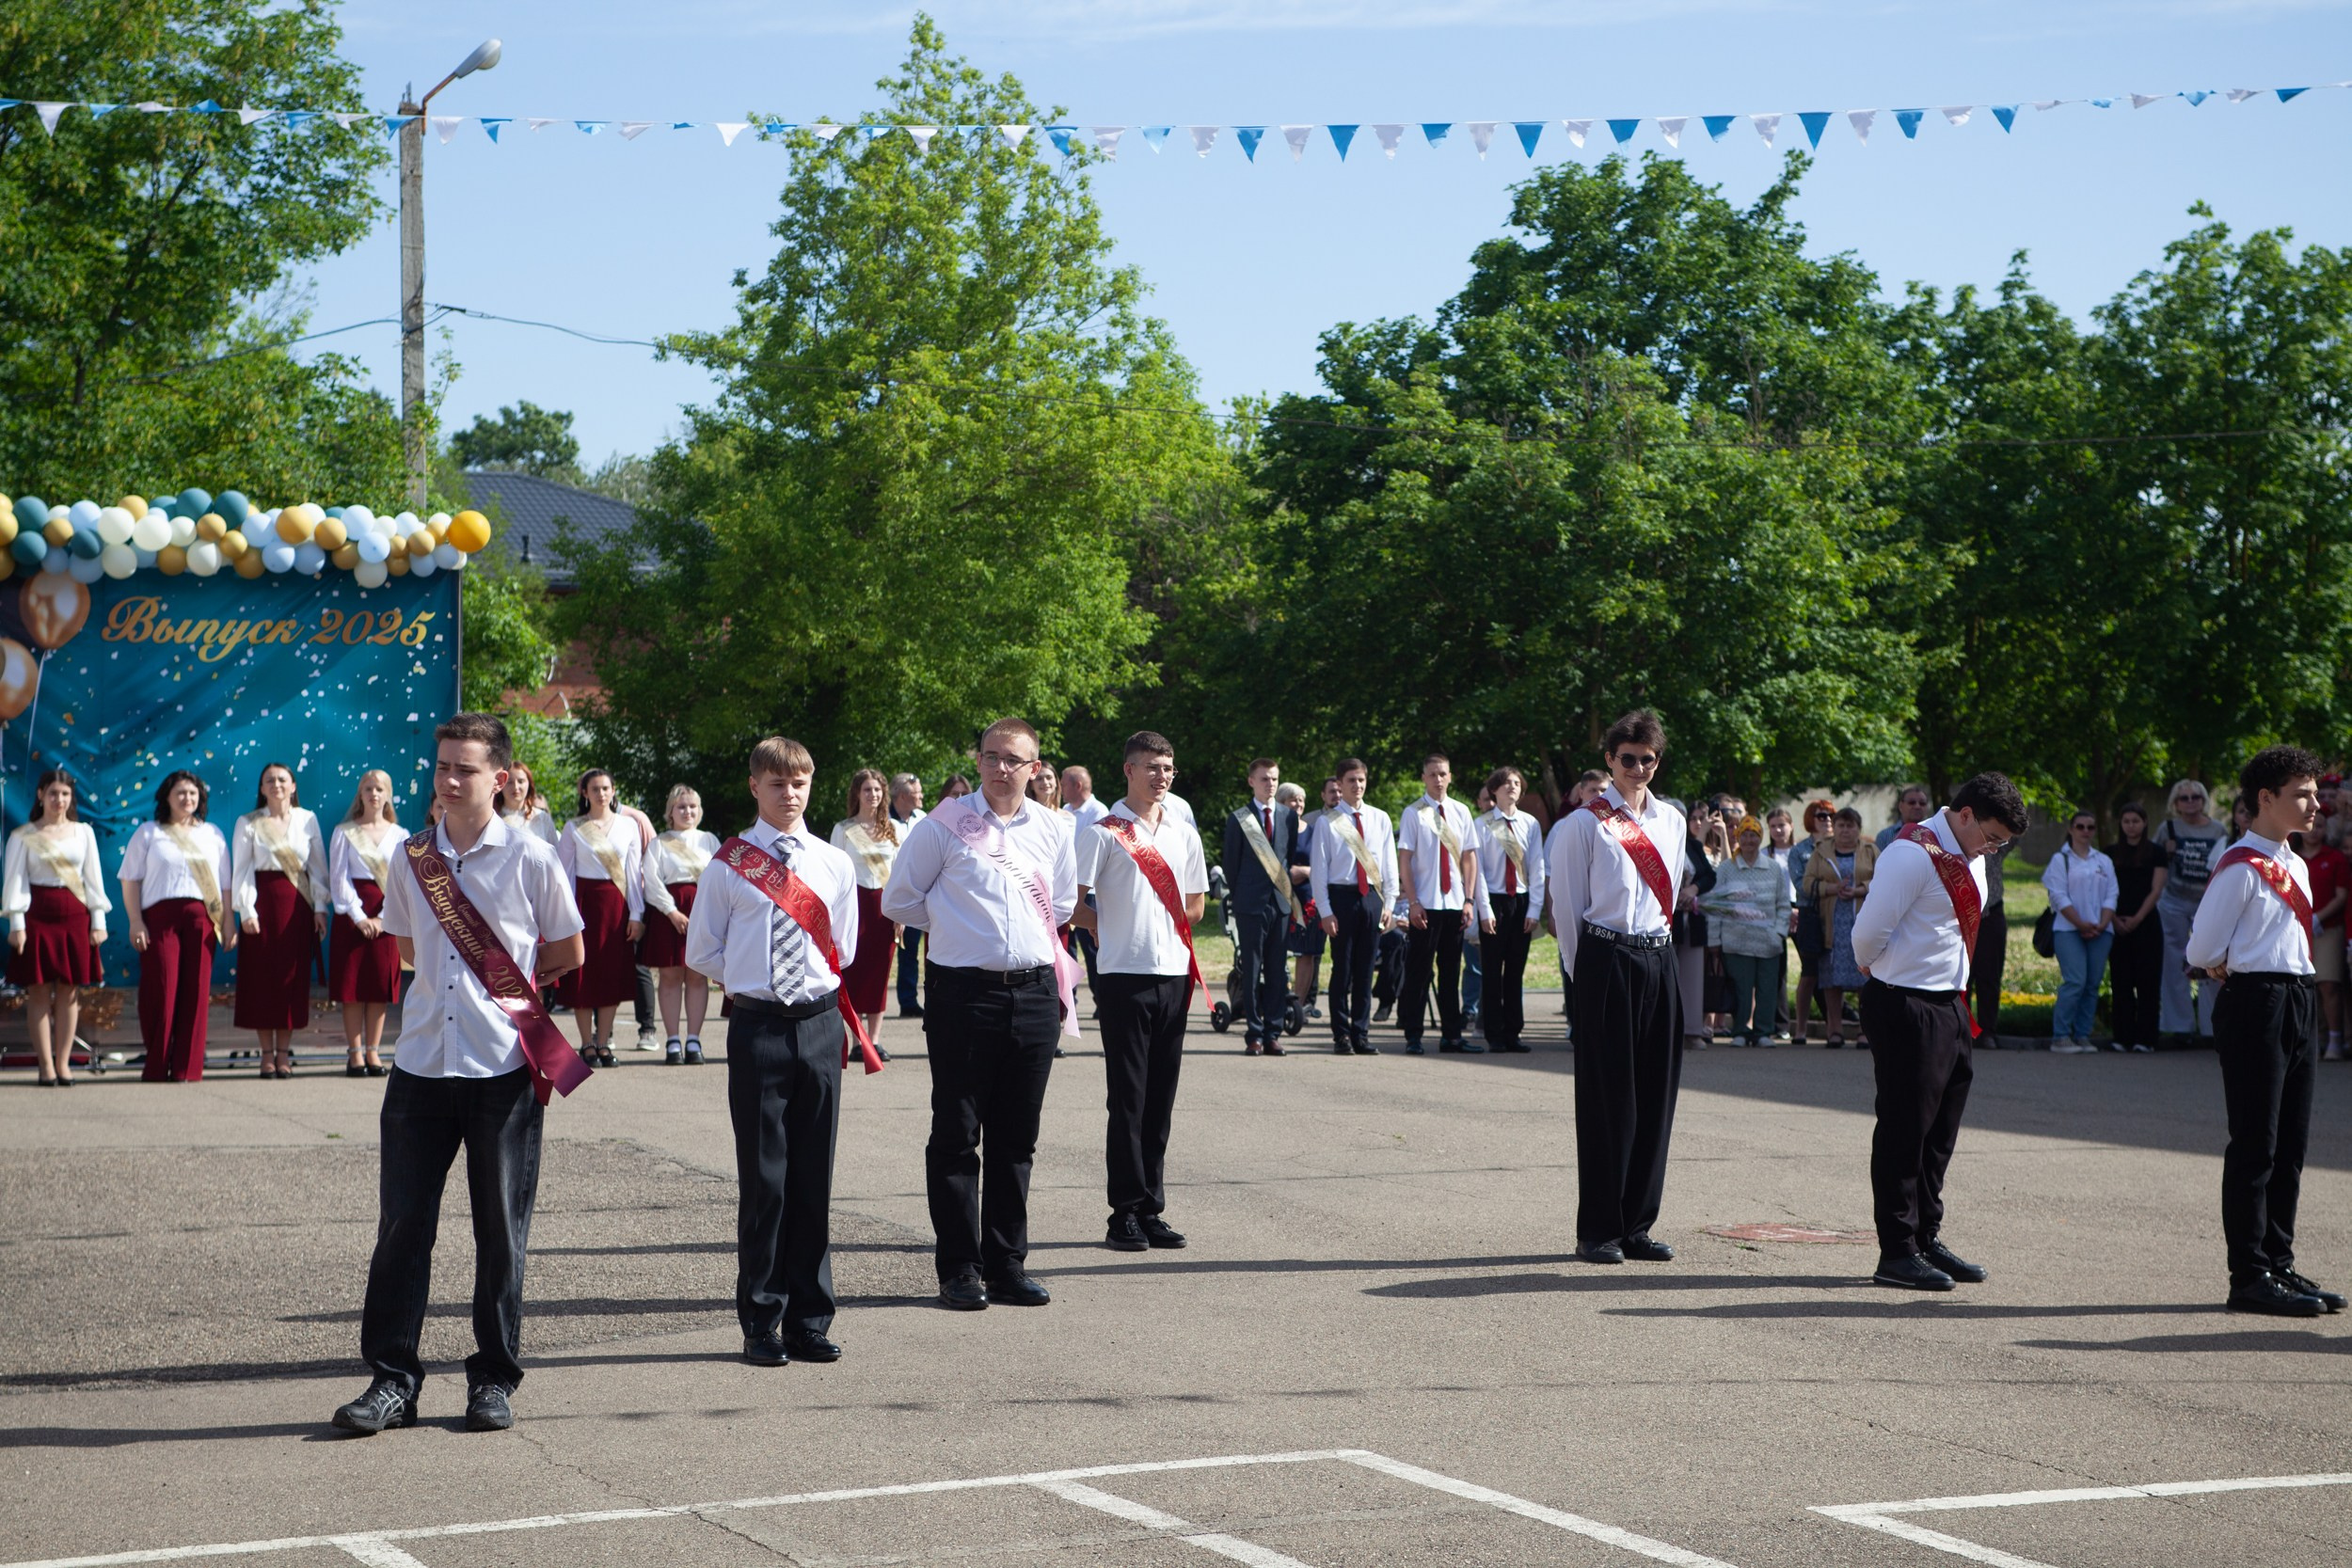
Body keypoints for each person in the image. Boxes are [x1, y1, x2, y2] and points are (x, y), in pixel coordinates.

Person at [330, 712, 587, 1436]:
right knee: (403, 1226)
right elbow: (408, 945)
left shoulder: (532, 855)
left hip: (503, 1064)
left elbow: (567, 949)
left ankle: (493, 1377)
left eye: (464, 768)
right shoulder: (412, 856)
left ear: (499, 778)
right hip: (418, 1063)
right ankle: (392, 1379)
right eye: (442, 766)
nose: (448, 779)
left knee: (500, 1227)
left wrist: (505, 996)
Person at [881, 718, 1076, 1311]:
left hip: (1035, 993)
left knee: (1017, 1137)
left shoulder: (1053, 828)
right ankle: (960, 1268)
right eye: (989, 757)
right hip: (963, 994)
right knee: (958, 1134)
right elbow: (900, 899)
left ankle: (1006, 1263)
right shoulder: (945, 825)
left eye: (1012, 759)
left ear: (1035, 767)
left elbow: (1062, 902)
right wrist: (959, 930)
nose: (999, 769)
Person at [685, 736, 865, 1366]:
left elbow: (843, 946)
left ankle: (810, 1320)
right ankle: (762, 1319)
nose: (789, 793)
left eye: (800, 782)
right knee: (765, 1180)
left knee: (814, 1177)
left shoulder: (834, 863)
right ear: (755, 786)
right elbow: (703, 952)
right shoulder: (729, 862)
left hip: (817, 1026)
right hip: (758, 1026)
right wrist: (751, 978)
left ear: (811, 786)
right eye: (776, 782)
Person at [1851, 772, 2026, 1291]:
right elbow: (1867, 937)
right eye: (1992, 837)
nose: (1994, 850)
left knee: (1939, 1135)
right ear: (1965, 813)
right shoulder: (1912, 854)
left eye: (2002, 844)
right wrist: (1891, 973)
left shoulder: (1971, 854)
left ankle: (1926, 1237)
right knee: (1905, 1132)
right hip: (1907, 1004)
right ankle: (1897, 1250)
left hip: (1949, 1005)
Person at [2185, 745, 2344, 1318]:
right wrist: (2224, 961)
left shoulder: (2294, 861)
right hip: (2258, 1002)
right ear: (2265, 799)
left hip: (2297, 998)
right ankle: (2248, 1275)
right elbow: (2202, 949)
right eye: (2302, 794)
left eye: (2315, 792)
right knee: (2257, 1144)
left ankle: (2278, 1262)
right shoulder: (2239, 865)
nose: (2315, 803)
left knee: (2291, 1146)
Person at [1551, 711, 1692, 1264]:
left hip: (1658, 959)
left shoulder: (1673, 821)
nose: (1638, 768)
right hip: (1604, 959)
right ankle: (1599, 1230)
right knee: (1609, 1100)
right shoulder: (1582, 825)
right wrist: (1580, 978)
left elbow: (1671, 894)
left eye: (1648, 759)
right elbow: (1566, 910)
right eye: (1628, 758)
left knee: (1656, 1097)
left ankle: (1637, 1223)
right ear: (1610, 760)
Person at [1074, 731, 1208, 1252]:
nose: (1162, 776)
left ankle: (1152, 1206)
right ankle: (1123, 1211)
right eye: (1151, 767)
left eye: (1168, 768)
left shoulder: (1183, 832)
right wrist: (1106, 927)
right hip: (1124, 975)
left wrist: (1165, 919)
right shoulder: (1104, 831)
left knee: (1160, 1097)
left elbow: (1195, 905)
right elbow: (1071, 900)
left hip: (1174, 974)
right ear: (1128, 770)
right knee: (1128, 1097)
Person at [120, 770, 233, 1083]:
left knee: (196, 991)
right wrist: (135, 921)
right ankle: (157, 1064)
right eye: (181, 793)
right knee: (162, 988)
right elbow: (130, 879)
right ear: (167, 798)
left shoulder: (213, 834)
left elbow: (225, 885)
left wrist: (228, 921)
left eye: (193, 793)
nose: (187, 799)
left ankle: (187, 1068)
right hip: (159, 919)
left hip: (203, 919)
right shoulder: (149, 833)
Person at [5, 768, 108, 1085]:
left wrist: (98, 920)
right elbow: (15, 881)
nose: (58, 800)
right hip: (37, 914)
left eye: (64, 794)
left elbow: (93, 879)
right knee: (38, 992)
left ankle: (63, 1064)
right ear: (40, 795)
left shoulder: (84, 832)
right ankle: (45, 1066)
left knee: (69, 991)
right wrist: (17, 923)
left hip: (76, 918)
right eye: (52, 793)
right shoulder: (23, 835)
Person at [230, 762, 329, 1079]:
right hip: (262, 906)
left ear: (293, 785)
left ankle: (284, 1053)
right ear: (261, 788)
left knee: (291, 979)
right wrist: (246, 910)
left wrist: (320, 908)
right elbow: (241, 870)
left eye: (282, 779)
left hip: (297, 907)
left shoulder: (308, 819)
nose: (276, 784)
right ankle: (266, 1054)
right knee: (261, 980)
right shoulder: (247, 823)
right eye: (269, 780)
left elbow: (317, 868)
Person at [1311, 758, 1400, 1057]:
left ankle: (1361, 1033)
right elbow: (1320, 870)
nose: (1357, 786)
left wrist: (1389, 902)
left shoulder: (1380, 818)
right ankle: (1341, 1035)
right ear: (1340, 784)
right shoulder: (1328, 821)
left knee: (1365, 971)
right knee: (1343, 969)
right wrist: (1325, 910)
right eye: (1351, 780)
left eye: (1361, 780)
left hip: (1372, 899)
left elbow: (1389, 862)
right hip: (1342, 899)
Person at [555, 769, 644, 1068]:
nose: (601, 794)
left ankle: (604, 1043)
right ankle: (586, 1044)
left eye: (606, 788)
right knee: (583, 975)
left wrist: (637, 913)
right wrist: (565, 916)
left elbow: (634, 873)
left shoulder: (628, 825)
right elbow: (564, 875)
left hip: (616, 908)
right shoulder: (574, 827)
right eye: (595, 788)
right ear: (585, 793)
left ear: (613, 790)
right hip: (583, 904)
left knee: (610, 974)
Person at [1222, 756, 1309, 1057]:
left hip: (1281, 904)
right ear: (1251, 782)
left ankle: (1273, 1032)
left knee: (1276, 971)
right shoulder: (1239, 818)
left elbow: (1286, 857)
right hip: (1250, 905)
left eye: (1273, 778)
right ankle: (1254, 1033)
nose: (1269, 784)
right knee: (1252, 969)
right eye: (1264, 779)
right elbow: (1231, 866)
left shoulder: (1287, 816)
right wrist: (1244, 897)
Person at [1397, 752, 1481, 1055]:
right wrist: (1413, 901)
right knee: (1419, 972)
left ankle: (1452, 1037)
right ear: (1423, 778)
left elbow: (1469, 857)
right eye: (1432, 774)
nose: (1438, 779)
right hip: (1426, 903)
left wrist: (1469, 899)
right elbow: (1404, 859)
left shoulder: (1461, 811)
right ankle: (1413, 1035)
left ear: (1450, 776)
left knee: (1450, 973)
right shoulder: (1413, 813)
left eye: (1443, 773)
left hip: (1455, 903)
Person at [328, 769, 406, 1077]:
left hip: (388, 914)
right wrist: (361, 917)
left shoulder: (401, 835)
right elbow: (338, 878)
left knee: (378, 987)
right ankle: (354, 1053)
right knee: (352, 988)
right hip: (352, 915)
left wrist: (383, 918)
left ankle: (373, 1052)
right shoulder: (344, 831)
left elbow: (402, 881)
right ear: (360, 794)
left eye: (380, 789)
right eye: (368, 788)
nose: (374, 794)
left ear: (388, 794)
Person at [642, 785, 720, 1065]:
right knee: (671, 977)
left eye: (692, 807)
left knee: (698, 976)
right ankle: (673, 1041)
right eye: (681, 807)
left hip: (703, 911)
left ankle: (694, 1040)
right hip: (669, 914)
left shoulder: (709, 840)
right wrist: (671, 911)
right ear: (670, 812)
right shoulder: (659, 843)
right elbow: (651, 881)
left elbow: (721, 878)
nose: (688, 812)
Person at [1701, 816, 1795, 1048]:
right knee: (1741, 989)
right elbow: (1715, 906)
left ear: (1760, 837)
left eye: (1753, 835)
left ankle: (1763, 1032)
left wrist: (1779, 933)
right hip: (1735, 941)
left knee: (1767, 988)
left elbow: (1783, 905)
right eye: (1744, 835)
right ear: (1738, 838)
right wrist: (1714, 940)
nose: (1749, 840)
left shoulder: (1773, 868)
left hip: (1768, 942)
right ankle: (1741, 1031)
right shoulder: (1726, 868)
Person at [830, 768, 904, 1052]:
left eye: (877, 790)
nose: (873, 795)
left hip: (885, 908)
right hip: (853, 905)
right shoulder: (843, 829)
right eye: (867, 790)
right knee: (854, 969)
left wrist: (900, 914)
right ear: (857, 794)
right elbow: (834, 873)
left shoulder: (895, 829)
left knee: (880, 970)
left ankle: (874, 1040)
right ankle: (856, 1036)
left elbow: (901, 872)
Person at [1472, 767, 1546, 1054]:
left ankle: (1514, 1032)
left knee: (1515, 972)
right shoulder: (1482, 824)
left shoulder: (1530, 823)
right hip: (1493, 901)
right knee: (1492, 972)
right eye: (1506, 784)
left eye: (1516, 783)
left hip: (1521, 903)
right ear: (1494, 790)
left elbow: (1537, 867)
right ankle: (1494, 1034)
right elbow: (1477, 871)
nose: (1511, 787)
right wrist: (1484, 909)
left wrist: (1535, 909)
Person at [2153, 779, 2229, 1043]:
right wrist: (2165, 851)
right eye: (2183, 798)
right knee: (2173, 964)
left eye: (2195, 797)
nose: (2190, 802)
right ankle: (2179, 1028)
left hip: (2206, 904)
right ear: (2175, 802)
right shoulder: (2168, 828)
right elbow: (2155, 861)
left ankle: (2211, 1029)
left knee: (2209, 963)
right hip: (2173, 901)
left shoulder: (2218, 829)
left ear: (2203, 800)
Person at [2042, 812, 2119, 1053]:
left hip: (2101, 930)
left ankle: (2083, 1035)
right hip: (2068, 929)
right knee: (2075, 981)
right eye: (2080, 826)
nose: (2085, 831)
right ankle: (2061, 1036)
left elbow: (2112, 894)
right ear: (2071, 829)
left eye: (2090, 827)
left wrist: (2102, 923)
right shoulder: (2060, 859)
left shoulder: (2103, 860)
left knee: (2092, 984)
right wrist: (2081, 924)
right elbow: (2058, 894)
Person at [1803, 808, 1877, 1048]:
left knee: (1865, 980)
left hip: (1863, 922)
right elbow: (1808, 883)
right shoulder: (1821, 851)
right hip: (1831, 925)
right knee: (1831, 980)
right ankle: (1834, 1030)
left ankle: (1866, 1031)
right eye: (1841, 826)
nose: (1846, 830)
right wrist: (1832, 889)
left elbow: (1885, 879)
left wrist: (1860, 889)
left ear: (1859, 829)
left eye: (1850, 826)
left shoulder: (1871, 850)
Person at [2106, 804, 2169, 1054]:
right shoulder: (2110, 853)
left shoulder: (2156, 852)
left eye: (2136, 821)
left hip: (2147, 924)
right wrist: (2114, 919)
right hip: (2116, 922)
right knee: (2120, 982)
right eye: (2126, 821)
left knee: (2148, 983)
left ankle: (2146, 1038)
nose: (2131, 825)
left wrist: (2137, 918)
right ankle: (2122, 1037)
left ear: (2144, 823)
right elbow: (2105, 889)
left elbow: (2157, 889)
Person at [1288, 778, 1338, 1018]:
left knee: (1308, 952)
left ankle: (1297, 1006)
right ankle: (1278, 1001)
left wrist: (1305, 872)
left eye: (1300, 800)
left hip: (1308, 899)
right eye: (1291, 800)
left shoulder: (1312, 826)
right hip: (1282, 897)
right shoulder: (1273, 828)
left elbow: (1323, 863)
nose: (1297, 804)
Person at [1788, 800, 1835, 1043]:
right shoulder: (1799, 851)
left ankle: (1833, 1030)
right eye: (1821, 815)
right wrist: (1833, 888)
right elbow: (1800, 888)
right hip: (1811, 915)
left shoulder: (1843, 847)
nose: (1827, 819)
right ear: (1810, 819)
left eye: (1830, 815)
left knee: (1832, 974)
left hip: (1838, 915)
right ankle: (1801, 1030)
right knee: (1809, 974)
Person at [2300, 826, 2348, 1060]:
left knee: (2329, 984)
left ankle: (2336, 1039)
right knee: (2306, 987)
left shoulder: (2335, 857)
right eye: (2310, 825)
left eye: (2320, 825)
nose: (2313, 830)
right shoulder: (2293, 856)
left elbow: (2342, 895)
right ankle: (2313, 1040)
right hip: (2299, 929)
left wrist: (2318, 917)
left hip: (2328, 928)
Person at [889, 772, 928, 1019]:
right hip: (885, 898)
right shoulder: (883, 821)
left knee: (910, 950)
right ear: (903, 796)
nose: (922, 795)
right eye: (917, 791)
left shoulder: (923, 819)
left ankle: (908, 1001)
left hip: (916, 896)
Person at [500, 762, 560, 846]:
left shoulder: (542, 817)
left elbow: (555, 854)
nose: (516, 787)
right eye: (510, 782)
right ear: (501, 784)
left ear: (529, 783)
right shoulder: (493, 818)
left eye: (521, 781)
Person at [1876, 784, 1933, 850]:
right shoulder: (1884, 836)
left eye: (1922, 803)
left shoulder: (1935, 834)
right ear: (1900, 806)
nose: (1917, 806)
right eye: (1912, 803)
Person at [1061, 766, 1110, 832]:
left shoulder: (1098, 812)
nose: (1060, 790)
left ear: (1078, 786)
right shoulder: (1066, 808)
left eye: (1063, 785)